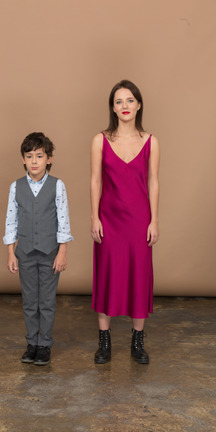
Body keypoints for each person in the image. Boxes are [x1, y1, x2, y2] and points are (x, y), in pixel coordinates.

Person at [90, 80, 160, 365]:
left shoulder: (151, 141)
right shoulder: (100, 140)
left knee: (139, 275)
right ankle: (104, 341)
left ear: (139, 104)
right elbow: (95, 180)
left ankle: (137, 341)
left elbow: (154, 182)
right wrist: (94, 216)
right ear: (113, 108)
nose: (124, 106)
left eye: (129, 100)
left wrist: (155, 219)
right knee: (107, 273)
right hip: (109, 218)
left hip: (140, 220)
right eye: (119, 102)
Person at [3, 132, 73, 366]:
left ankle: (44, 344)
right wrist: (11, 252)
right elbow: (11, 220)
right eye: (29, 156)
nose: (34, 161)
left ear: (49, 159)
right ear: (23, 159)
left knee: (47, 301)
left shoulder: (57, 186)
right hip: (24, 253)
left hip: (50, 253)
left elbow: (63, 221)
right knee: (30, 301)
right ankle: (31, 342)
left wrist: (62, 251)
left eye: (39, 156)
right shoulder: (16, 187)